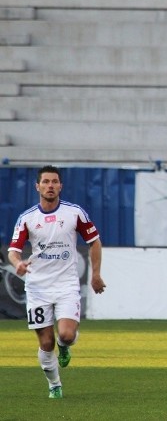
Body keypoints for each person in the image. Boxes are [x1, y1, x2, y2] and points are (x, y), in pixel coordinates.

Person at [7, 165, 106, 399]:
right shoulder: (27, 218)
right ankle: (54, 385)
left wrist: (96, 274)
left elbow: (95, 241)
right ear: (37, 186)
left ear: (60, 186)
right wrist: (17, 263)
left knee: (66, 336)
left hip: (66, 285)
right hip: (37, 287)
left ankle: (65, 347)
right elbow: (13, 250)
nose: (50, 186)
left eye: (54, 182)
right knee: (46, 342)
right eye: (46, 182)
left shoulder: (74, 213)